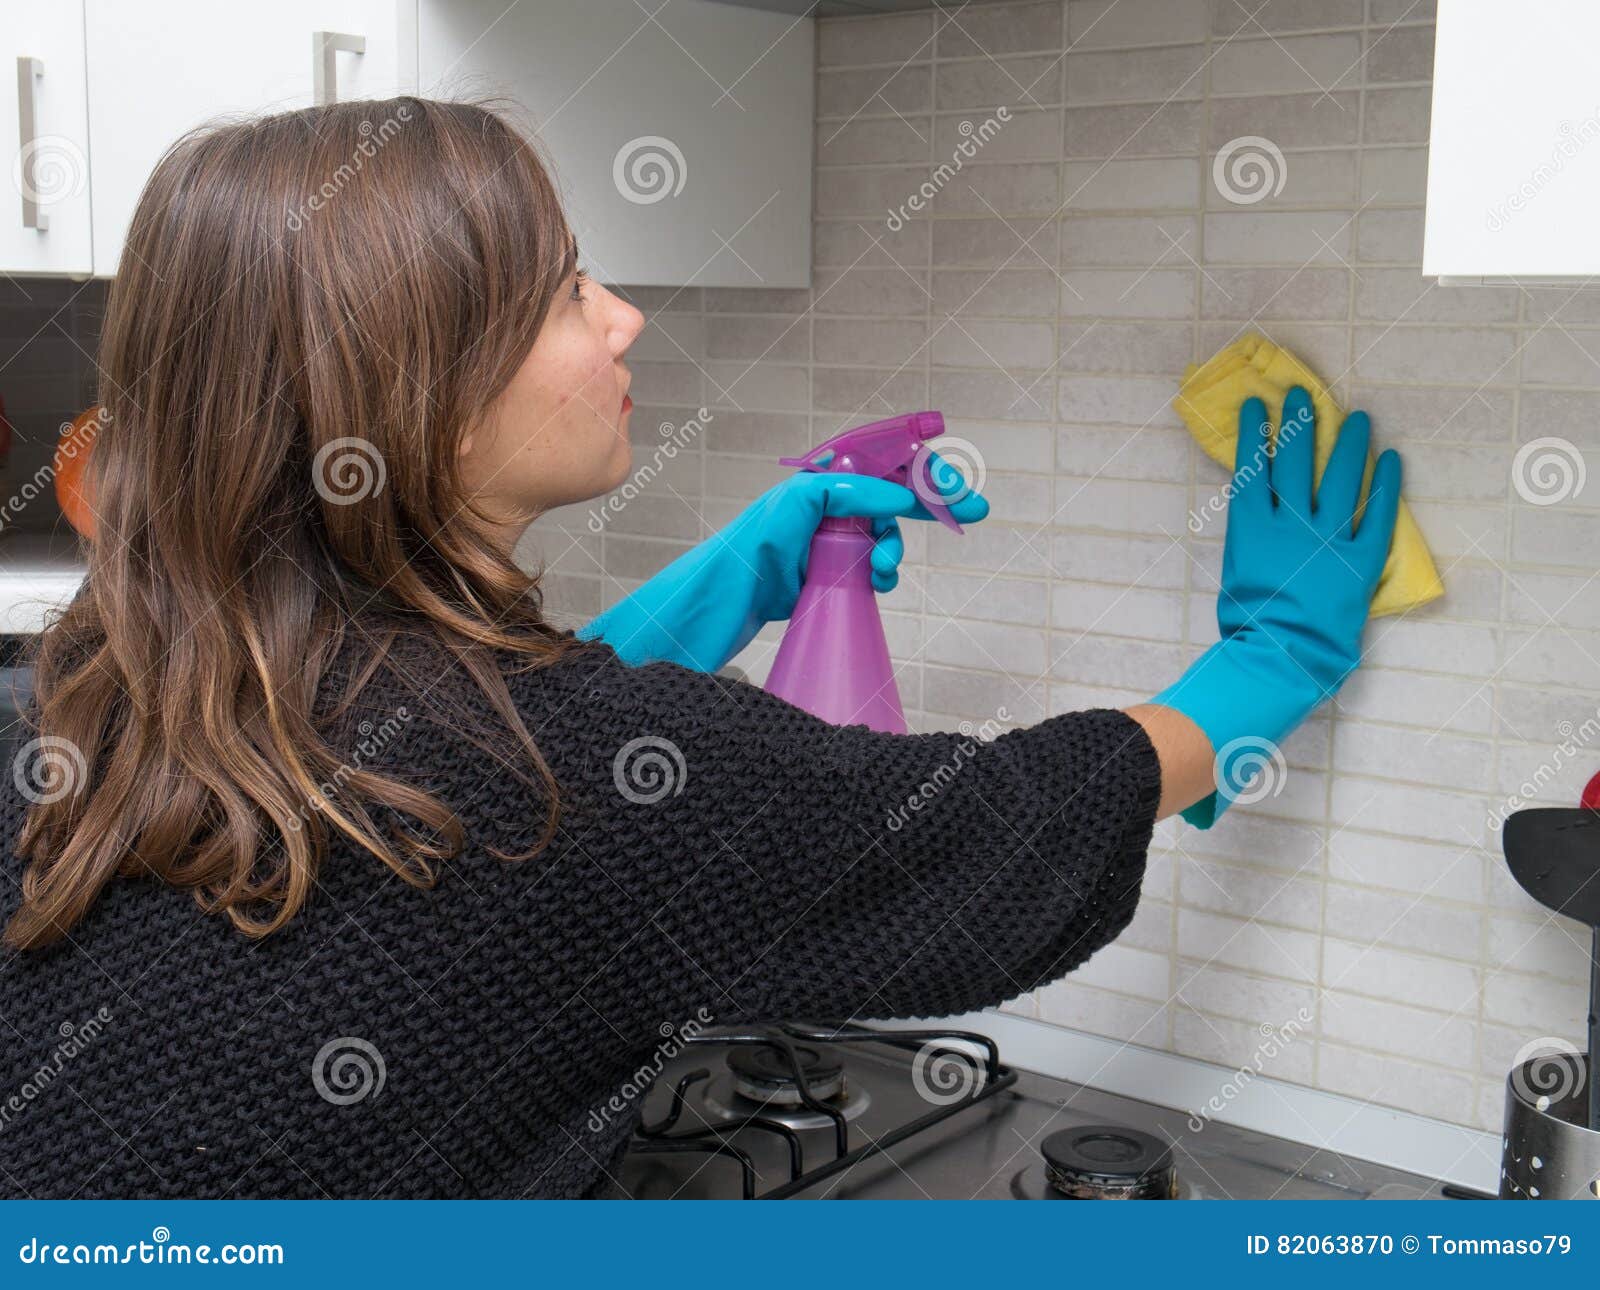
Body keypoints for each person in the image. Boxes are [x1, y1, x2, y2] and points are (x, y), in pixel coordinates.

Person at [0, 98, 1400, 1199]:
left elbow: (444, 770)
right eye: (565, 291)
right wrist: (1269, 660)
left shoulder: (83, 700)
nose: (624, 317)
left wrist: (744, 573)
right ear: (419, 394)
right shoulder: (580, 790)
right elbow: (995, 832)